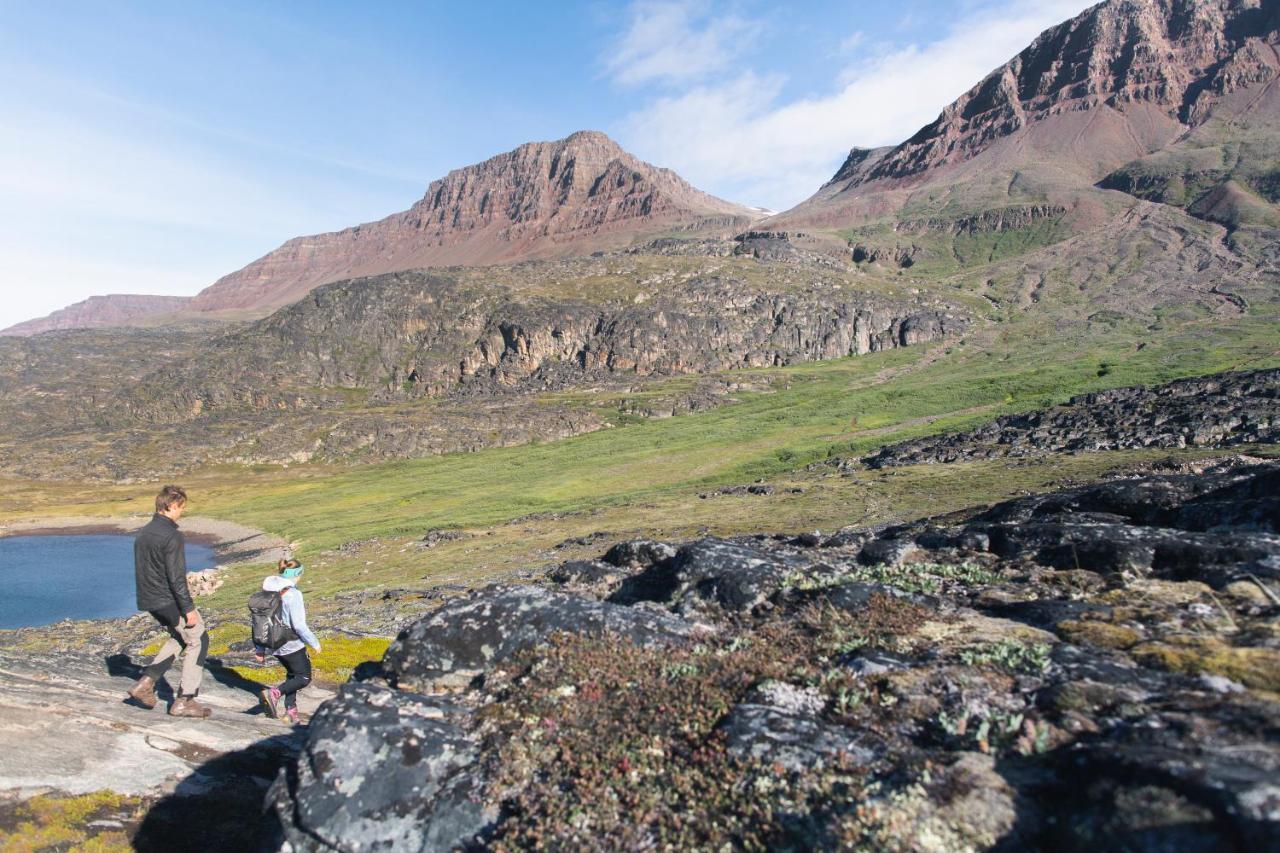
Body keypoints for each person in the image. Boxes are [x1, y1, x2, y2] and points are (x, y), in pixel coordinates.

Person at [127, 485, 211, 718]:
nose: (181, 512)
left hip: (149, 599)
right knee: (199, 639)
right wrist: (188, 609)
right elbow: (176, 577)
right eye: (181, 508)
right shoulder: (171, 535)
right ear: (171, 506)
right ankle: (186, 699)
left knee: (179, 637)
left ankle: (145, 684)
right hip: (167, 599)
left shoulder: (144, 532)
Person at [255, 559, 321, 725]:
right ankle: (274, 693)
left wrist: (259, 648)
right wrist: (314, 642)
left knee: (293, 674)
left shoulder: (268, 591)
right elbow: (298, 625)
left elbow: (259, 621)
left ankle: (291, 712)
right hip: (290, 642)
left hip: (273, 644)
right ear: (297, 574)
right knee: (304, 678)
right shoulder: (293, 593)